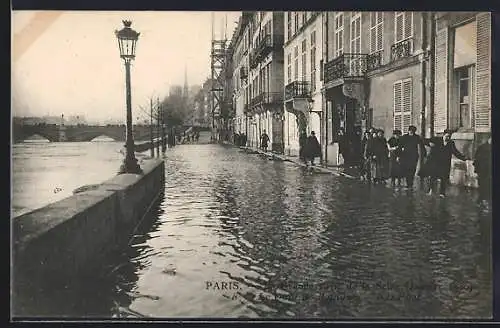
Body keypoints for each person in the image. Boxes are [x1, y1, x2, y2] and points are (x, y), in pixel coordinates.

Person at [420, 129, 468, 197]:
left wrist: (463, 158)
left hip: (445, 163)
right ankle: (430, 190)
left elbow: (455, 152)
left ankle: (442, 193)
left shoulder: (451, 143)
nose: (448, 138)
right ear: (443, 135)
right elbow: (423, 140)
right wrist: (429, 143)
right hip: (436, 162)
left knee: (444, 178)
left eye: (449, 137)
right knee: (433, 177)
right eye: (447, 136)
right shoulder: (436, 140)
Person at [400, 125, 424, 190]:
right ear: (408, 130)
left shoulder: (417, 137)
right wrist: (399, 154)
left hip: (414, 156)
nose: (411, 132)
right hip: (406, 156)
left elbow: (421, 146)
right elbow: (400, 146)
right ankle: (408, 184)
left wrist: (423, 154)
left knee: (412, 169)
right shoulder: (404, 137)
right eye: (410, 131)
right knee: (407, 169)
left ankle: (410, 184)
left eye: (413, 131)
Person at [473, 137, 491, 208]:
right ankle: (483, 202)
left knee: (486, 187)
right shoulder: (482, 148)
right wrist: (476, 171)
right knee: (483, 186)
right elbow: (476, 160)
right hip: (482, 171)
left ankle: (480, 201)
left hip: (489, 172)